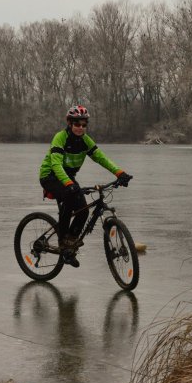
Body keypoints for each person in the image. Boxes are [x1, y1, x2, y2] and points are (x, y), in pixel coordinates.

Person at [38, 105, 132, 268]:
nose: (80, 128)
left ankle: (70, 246)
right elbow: (56, 164)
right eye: (77, 124)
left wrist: (119, 173)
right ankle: (62, 242)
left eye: (84, 125)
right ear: (69, 123)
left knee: (83, 210)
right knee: (69, 197)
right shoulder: (60, 138)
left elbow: (101, 158)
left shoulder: (85, 140)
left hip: (68, 178)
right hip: (50, 176)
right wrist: (68, 184)